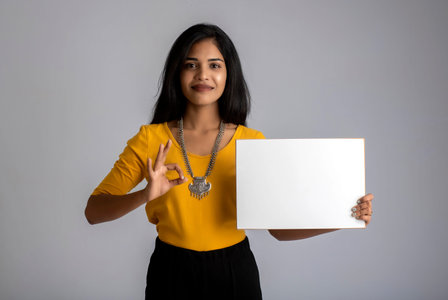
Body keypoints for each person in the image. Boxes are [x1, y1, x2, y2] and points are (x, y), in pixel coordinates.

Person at [84, 23, 374, 300]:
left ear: (228, 73)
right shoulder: (150, 139)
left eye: (214, 65)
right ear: (177, 72)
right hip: (170, 271)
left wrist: (344, 215)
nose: (202, 75)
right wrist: (145, 195)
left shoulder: (251, 141)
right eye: (191, 64)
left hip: (234, 271)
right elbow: (93, 211)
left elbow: (278, 230)